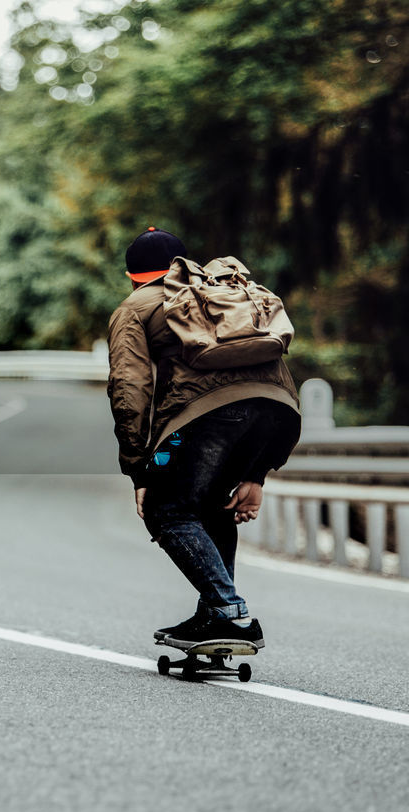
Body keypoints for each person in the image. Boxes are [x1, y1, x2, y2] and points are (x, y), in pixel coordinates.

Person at [106, 227, 301, 650]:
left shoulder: (136, 308)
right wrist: (258, 473)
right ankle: (214, 612)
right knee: (213, 505)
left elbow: (129, 388)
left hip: (211, 412)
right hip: (279, 407)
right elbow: (268, 381)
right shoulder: (220, 292)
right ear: (180, 265)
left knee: (166, 510)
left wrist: (139, 468)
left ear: (132, 275)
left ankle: (228, 612)